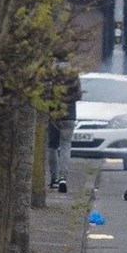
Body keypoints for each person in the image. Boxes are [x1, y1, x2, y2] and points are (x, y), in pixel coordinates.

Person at [48, 65, 81, 194]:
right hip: (69, 116)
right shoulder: (73, 73)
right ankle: (63, 177)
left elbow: (45, 94)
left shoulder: (50, 72)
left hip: (54, 115)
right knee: (66, 145)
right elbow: (78, 95)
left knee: (52, 147)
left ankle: (54, 179)